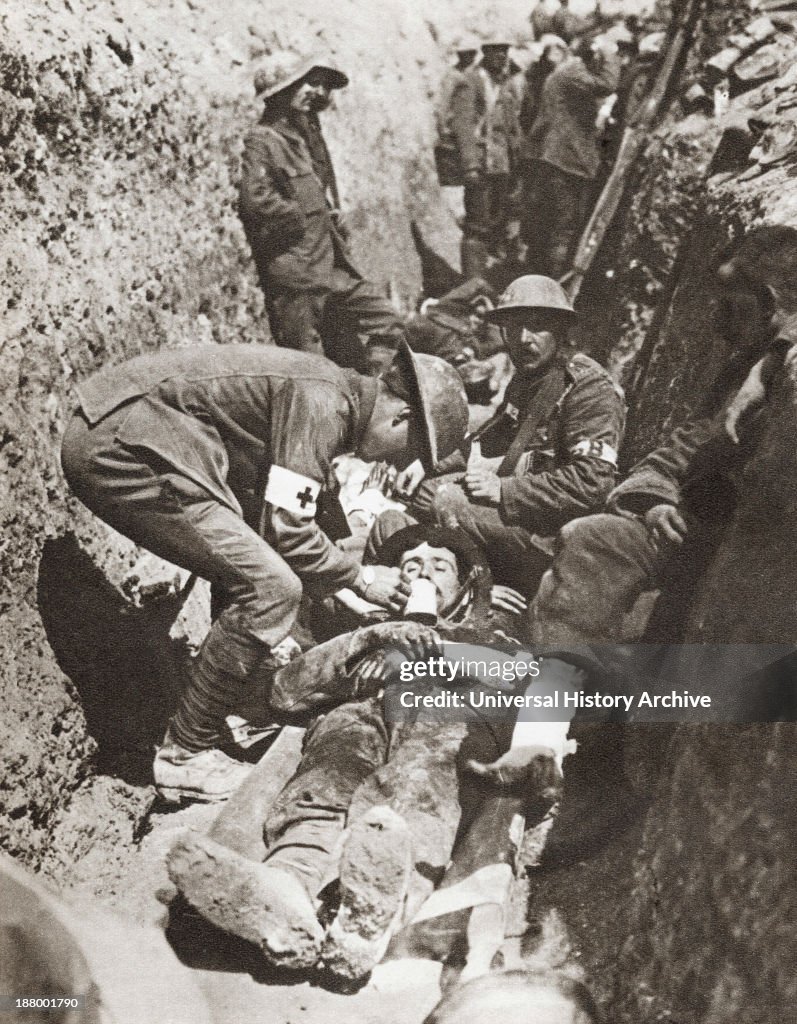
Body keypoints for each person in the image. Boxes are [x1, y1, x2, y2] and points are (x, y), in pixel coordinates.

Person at [60, 342, 468, 803]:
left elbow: (303, 508)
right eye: (405, 451)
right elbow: (289, 531)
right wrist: (361, 579)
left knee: (254, 558)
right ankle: (184, 756)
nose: (388, 464)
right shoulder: (323, 403)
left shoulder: (330, 393)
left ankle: (227, 700)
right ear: (402, 418)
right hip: (121, 445)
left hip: (132, 433)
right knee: (270, 586)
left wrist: (345, 572)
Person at [168, 523, 574, 981]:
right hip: (360, 714)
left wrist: (433, 652)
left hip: (449, 718)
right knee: (328, 768)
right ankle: (289, 885)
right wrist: (369, 639)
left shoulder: (492, 630)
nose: (423, 573)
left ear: (465, 586)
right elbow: (285, 693)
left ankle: (371, 917)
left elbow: (534, 677)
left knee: (420, 777)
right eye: (410, 566)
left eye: (440, 566)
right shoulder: (365, 629)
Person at [397, 275, 625, 598]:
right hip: (520, 513)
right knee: (424, 490)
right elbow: (490, 438)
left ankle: (481, 593)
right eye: (513, 327)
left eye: (537, 326)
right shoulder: (529, 377)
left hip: (551, 535)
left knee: (447, 500)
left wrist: (504, 490)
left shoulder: (589, 389)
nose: (523, 338)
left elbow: (593, 483)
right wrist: (429, 464)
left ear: (560, 329)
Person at [238, 51, 405, 373]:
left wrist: (327, 216)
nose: (316, 92)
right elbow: (255, 200)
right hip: (298, 278)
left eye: (320, 86)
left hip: (333, 269)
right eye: (306, 84)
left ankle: (371, 392)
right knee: (309, 370)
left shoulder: (304, 138)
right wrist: (302, 220)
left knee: (388, 321)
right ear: (280, 91)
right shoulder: (263, 140)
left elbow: (314, 191)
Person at [524, 35, 620, 277]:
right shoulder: (573, 71)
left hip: (560, 158)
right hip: (565, 160)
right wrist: (610, 52)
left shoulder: (568, 73)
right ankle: (552, 285)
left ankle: (543, 277)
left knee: (556, 225)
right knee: (564, 227)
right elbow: (608, 85)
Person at [451, 41, 521, 277]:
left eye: (505, 51)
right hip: (480, 165)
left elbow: (511, 127)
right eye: (496, 51)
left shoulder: (502, 83)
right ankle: (472, 285)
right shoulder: (470, 81)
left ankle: (484, 284)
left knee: (495, 226)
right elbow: (463, 124)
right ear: (485, 53)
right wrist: (470, 165)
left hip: (500, 165)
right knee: (476, 227)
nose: (502, 56)